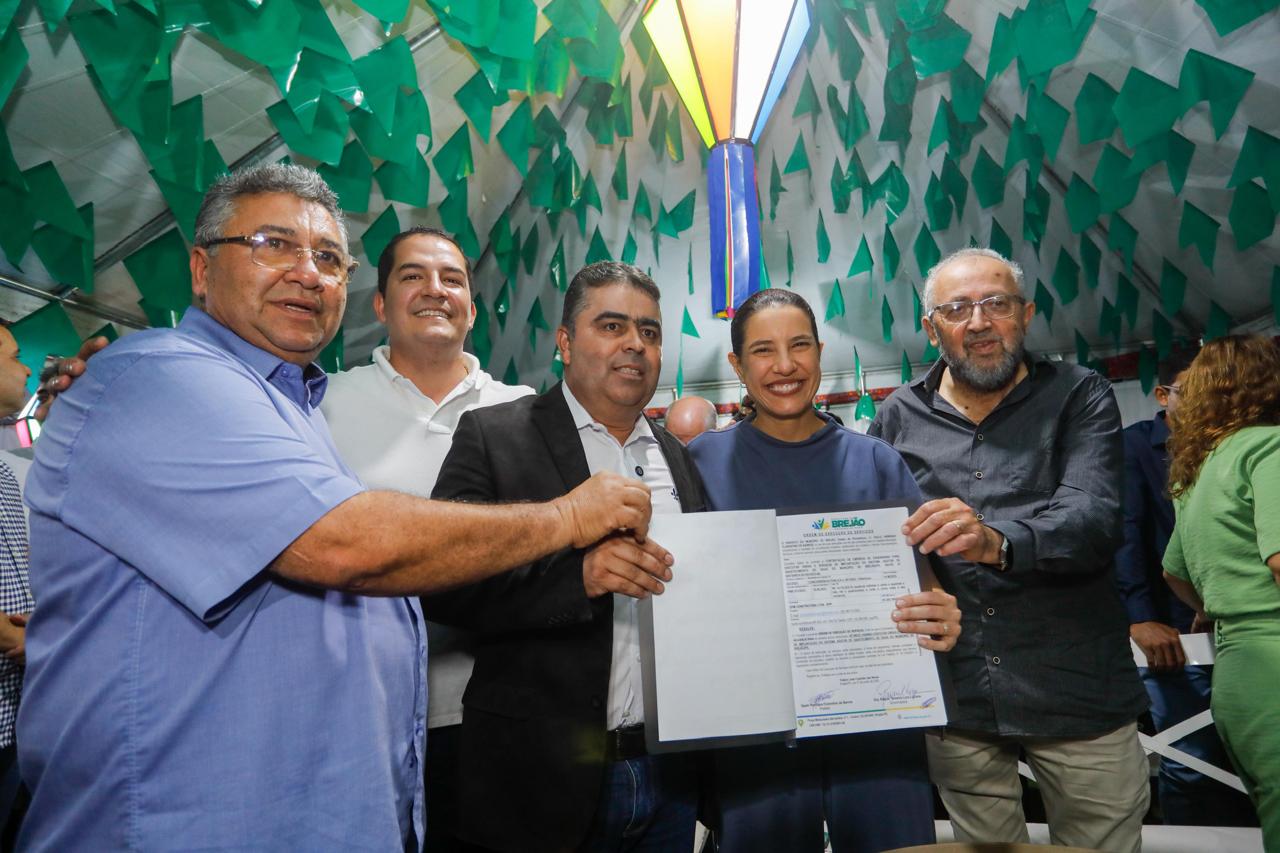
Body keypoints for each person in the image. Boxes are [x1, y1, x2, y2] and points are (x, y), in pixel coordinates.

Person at [15, 165, 657, 852]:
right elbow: (346, 545)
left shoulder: (298, 408)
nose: (307, 273)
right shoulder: (159, 377)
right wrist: (566, 518)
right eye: (273, 244)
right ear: (202, 269)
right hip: (186, 821)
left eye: (327, 258)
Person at [869, 247, 1149, 853]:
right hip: (957, 694)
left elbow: (1093, 519)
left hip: (1076, 689)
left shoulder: (1080, 393)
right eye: (957, 309)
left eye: (995, 303)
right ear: (931, 329)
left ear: (1025, 314)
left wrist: (995, 541)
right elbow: (880, 536)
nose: (978, 322)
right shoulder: (897, 415)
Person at [422, 261, 705, 853]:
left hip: (668, 779)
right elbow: (443, 587)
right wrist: (580, 580)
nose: (635, 344)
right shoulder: (494, 436)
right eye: (612, 326)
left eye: (650, 331)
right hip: (537, 782)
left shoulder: (677, 458)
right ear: (566, 343)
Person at [687, 289, 961, 853]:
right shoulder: (701, 463)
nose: (785, 366)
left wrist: (939, 617)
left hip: (877, 723)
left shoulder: (876, 461)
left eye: (799, 346)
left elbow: (925, 587)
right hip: (754, 730)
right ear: (737, 365)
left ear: (819, 352)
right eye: (763, 350)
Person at [321, 226, 533, 850]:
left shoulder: (523, 410)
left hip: (497, 713)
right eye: (412, 276)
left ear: (472, 307)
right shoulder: (324, 405)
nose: (435, 290)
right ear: (380, 303)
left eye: (452, 279)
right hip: (364, 719)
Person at [1119, 350, 1256, 826]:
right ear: (1163, 396)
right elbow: (1126, 534)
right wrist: (1139, 617)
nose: (1211, 399)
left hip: (1234, 627)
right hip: (1171, 633)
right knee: (1191, 759)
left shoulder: (1233, 445)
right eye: (1194, 389)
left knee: (1247, 758)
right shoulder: (1134, 446)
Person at [1162, 334, 1280, 848]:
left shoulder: (1199, 469)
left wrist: (1216, 605)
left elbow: (1174, 574)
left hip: (1237, 671)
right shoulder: (1269, 446)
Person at [0, 325, 32, 838]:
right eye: (14, 356)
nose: (26, 368)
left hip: (15, 716)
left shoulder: (6, 473)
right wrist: (16, 640)